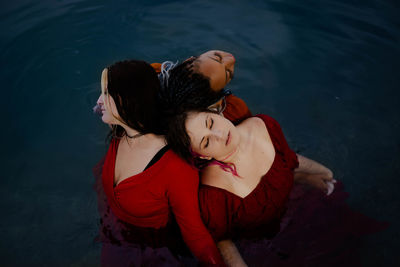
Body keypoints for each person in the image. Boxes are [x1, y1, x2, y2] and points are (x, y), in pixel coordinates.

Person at [95, 59, 226, 265]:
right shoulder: (120, 131)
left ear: (128, 102)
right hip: (116, 231)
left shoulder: (175, 168)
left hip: (154, 252)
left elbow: (195, 235)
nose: (98, 102)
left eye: (105, 94)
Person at [166, 110, 335, 266]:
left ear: (216, 111)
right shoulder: (213, 193)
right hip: (262, 242)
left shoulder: (263, 125)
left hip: (291, 205)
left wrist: (325, 171)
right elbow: (222, 241)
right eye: (206, 141)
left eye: (210, 123)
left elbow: (289, 160)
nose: (219, 134)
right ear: (204, 155)